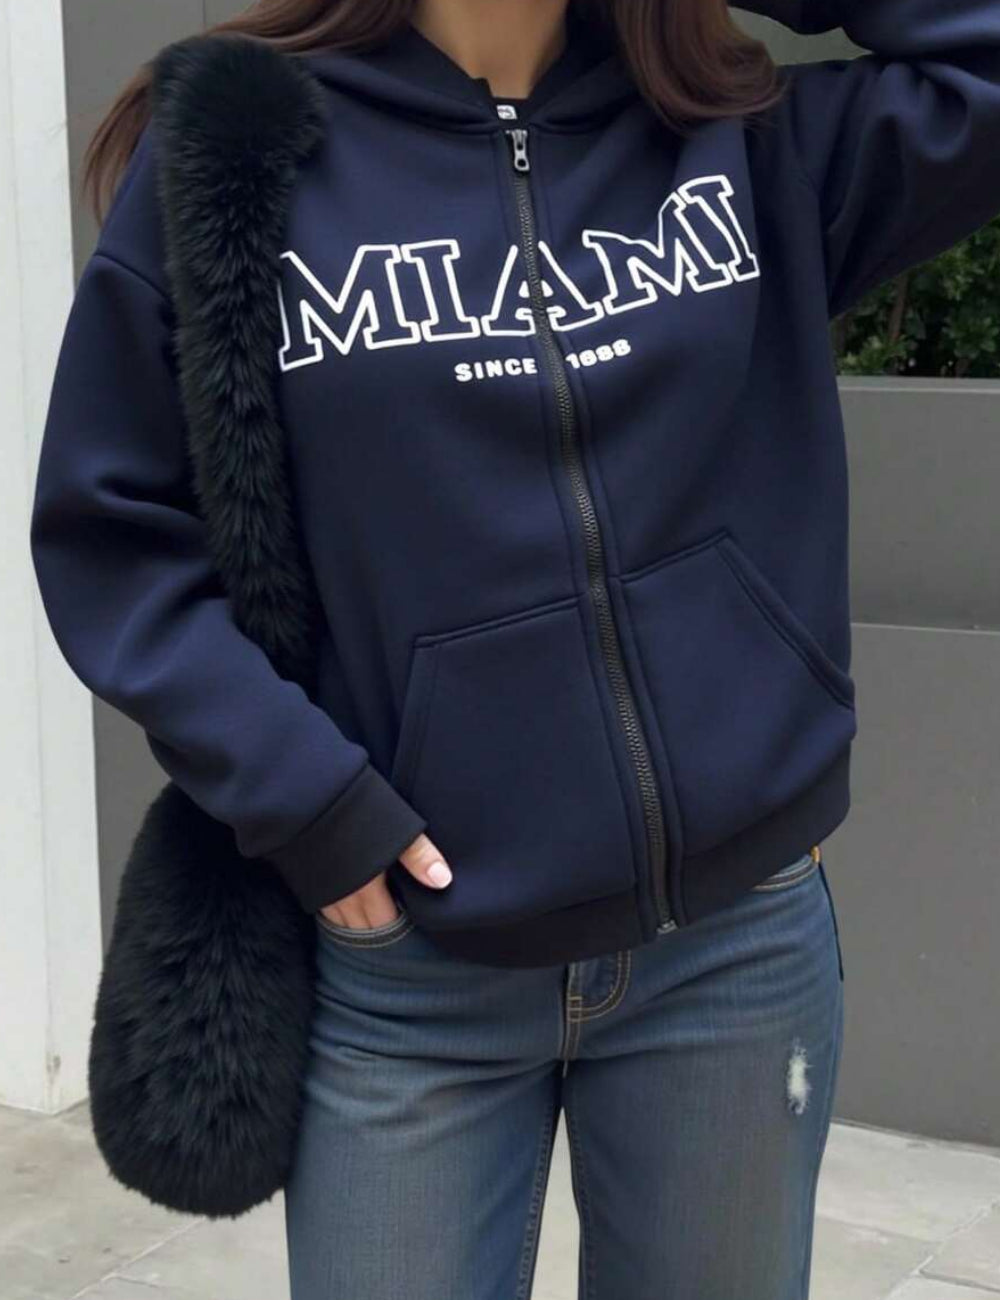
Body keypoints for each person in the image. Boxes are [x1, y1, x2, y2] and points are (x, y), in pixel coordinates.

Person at [29, 0, 1000, 1295]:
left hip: (733, 951)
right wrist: (306, 798)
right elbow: (113, 535)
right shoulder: (242, 141)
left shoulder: (734, 133)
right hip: (414, 975)